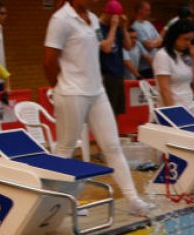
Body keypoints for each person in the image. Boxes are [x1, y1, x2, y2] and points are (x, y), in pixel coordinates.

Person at [44, 0, 152, 213]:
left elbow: (104, 47)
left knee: (113, 146)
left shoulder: (93, 19)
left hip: (97, 91)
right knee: (65, 148)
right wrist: (61, 86)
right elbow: (48, 61)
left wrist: (115, 27)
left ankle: (133, 199)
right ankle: (59, 204)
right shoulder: (60, 19)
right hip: (71, 92)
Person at [99, 0, 132, 117]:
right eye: (115, 16)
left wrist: (124, 28)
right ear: (108, 14)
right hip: (106, 75)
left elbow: (128, 46)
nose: (117, 19)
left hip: (118, 74)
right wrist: (113, 27)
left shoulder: (117, 27)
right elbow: (106, 48)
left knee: (117, 112)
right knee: (108, 113)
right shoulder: (97, 27)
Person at [131, 1, 162, 78]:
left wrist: (153, 43)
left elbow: (161, 39)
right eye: (147, 10)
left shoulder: (148, 23)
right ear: (139, 10)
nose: (149, 13)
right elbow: (149, 46)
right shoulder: (136, 26)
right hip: (145, 67)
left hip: (155, 63)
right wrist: (155, 43)